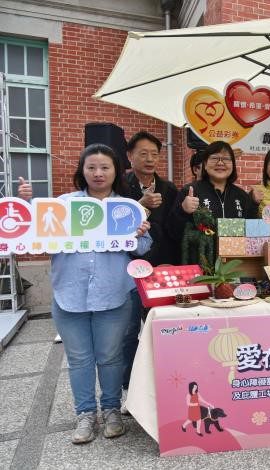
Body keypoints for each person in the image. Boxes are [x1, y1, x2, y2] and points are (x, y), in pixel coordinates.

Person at [49, 144, 152, 444]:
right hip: (69, 292)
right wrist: (32, 217)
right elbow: (45, 243)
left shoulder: (128, 206)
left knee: (110, 356)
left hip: (114, 292)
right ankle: (85, 415)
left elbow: (144, 250)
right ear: (82, 170)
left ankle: (110, 410)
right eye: (91, 167)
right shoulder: (64, 205)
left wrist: (141, 235)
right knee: (79, 358)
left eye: (105, 167)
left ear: (116, 171)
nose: (98, 173)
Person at [122, 131, 178, 393]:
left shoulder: (169, 189)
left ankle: (160, 388)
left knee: (160, 330)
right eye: (142, 153)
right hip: (127, 271)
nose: (149, 159)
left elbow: (176, 228)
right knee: (128, 333)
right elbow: (115, 224)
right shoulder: (120, 187)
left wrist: (173, 266)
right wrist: (139, 205)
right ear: (129, 156)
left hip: (161, 270)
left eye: (154, 154)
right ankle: (129, 388)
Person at [170, 141, 257, 241]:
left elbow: (252, 234)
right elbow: (173, 233)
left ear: (233, 165)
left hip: (235, 256)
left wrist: (254, 204)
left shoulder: (242, 196)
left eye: (226, 159)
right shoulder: (190, 192)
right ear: (205, 165)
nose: (220, 163)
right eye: (215, 158)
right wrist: (183, 211)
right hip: (199, 255)